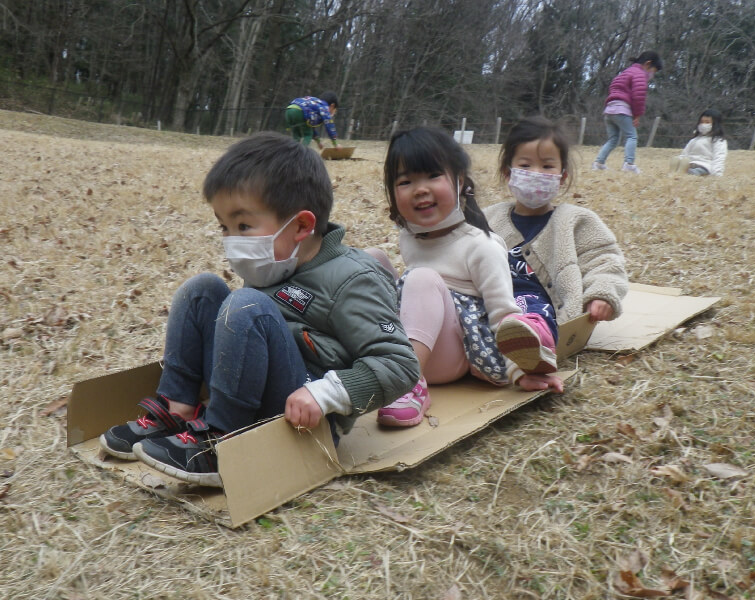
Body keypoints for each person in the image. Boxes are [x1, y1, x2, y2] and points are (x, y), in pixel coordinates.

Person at [98, 132, 419, 487]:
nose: (231, 240)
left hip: (305, 417)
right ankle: (178, 410)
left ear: (300, 225)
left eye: (243, 226)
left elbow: (400, 366)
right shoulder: (277, 263)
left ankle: (224, 440)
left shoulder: (352, 279)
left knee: (245, 304)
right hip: (256, 389)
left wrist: (325, 394)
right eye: (224, 227)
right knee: (202, 290)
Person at [369, 126, 564, 429]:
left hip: (458, 353)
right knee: (370, 261)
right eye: (406, 181)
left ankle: (408, 383)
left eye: (433, 176)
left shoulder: (481, 246)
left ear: (460, 182)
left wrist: (519, 370)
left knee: (420, 278)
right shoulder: (409, 237)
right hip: (418, 335)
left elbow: (504, 316)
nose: (420, 189)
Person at [486, 116, 629, 370]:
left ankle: (529, 352)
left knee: (531, 313)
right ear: (509, 173)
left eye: (547, 166)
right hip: (491, 305)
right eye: (526, 165)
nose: (536, 174)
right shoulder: (488, 219)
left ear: (562, 176)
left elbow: (604, 261)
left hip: (542, 312)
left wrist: (602, 294)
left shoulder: (577, 221)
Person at [592, 51, 663, 174]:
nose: (652, 75)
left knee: (613, 139)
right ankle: (629, 164)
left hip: (609, 110)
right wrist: (637, 114)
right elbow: (638, 97)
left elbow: (613, 89)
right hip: (622, 109)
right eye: (653, 71)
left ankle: (599, 163)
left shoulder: (625, 72)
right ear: (648, 64)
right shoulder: (639, 74)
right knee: (632, 136)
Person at [670, 109, 728, 176]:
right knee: (679, 161)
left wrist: (717, 173)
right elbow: (685, 154)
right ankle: (676, 172)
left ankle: (686, 173)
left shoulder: (718, 140)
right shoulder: (694, 140)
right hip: (690, 164)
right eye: (702, 122)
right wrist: (680, 161)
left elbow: (719, 157)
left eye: (707, 122)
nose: (703, 125)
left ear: (716, 124)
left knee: (696, 172)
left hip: (705, 166)